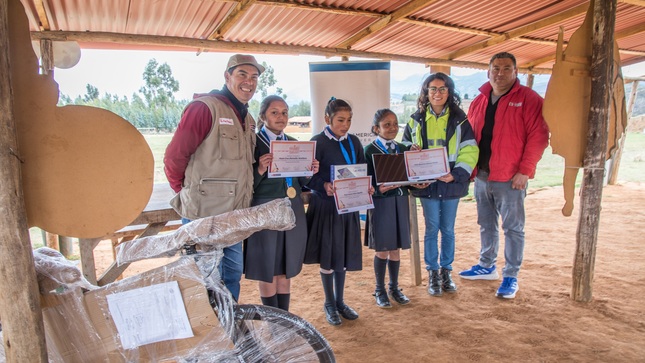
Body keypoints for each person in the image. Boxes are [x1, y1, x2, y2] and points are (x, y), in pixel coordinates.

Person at [164, 54, 265, 302]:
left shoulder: (248, 120)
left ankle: (227, 330)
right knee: (205, 280)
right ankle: (211, 334)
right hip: (203, 216)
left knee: (231, 277)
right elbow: (174, 157)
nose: (249, 82)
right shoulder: (204, 108)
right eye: (242, 74)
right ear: (227, 76)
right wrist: (187, 193)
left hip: (234, 217)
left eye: (254, 77)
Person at [458, 52, 549, 299]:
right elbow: (469, 138)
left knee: (513, 228)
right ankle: (487, 266)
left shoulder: (530, 100)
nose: (500, 73)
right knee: (486, 224)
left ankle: (511, 276)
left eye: (506, 68)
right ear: (488, 71)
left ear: (516, 71)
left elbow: (538, 137)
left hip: (510, 177)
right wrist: (468, 169)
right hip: (483, 176)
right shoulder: (479, 100)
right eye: (496, 68)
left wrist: (525, 171)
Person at [402, 73, 479, 297]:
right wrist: (411, 154)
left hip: (450, 183)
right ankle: (433, 273)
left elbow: (469, 149)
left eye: (442, 89)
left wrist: (456, 174)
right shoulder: (415, 120)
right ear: (426, 93)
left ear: (449, 92)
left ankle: (446, 272)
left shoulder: (460, 120)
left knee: (447, 230)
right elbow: (405, 146)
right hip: (427, 185)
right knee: (431, 229)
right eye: (433, 89)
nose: (438, 93)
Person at [244, 95, 319, 311]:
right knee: (268, 266)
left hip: (293, 206)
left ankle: (283, 321)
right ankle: (272, 321)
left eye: (284, 112)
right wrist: (259, 169)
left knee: (286, 265)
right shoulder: (254, 144)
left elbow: (302, 182)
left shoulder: (295, 144)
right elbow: (245, 183)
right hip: (265, 208)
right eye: (274, 112)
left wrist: (310, 171)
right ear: (263, 116)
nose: (281, 117)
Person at [304, 98, 373, 326]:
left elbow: (362, 170)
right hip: (326, 207)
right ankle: (329, 303)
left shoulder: (354, 142)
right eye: (341, 120)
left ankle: (340, 301)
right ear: (327, 119)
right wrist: (323, 185)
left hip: (348, 207)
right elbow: (308, 176)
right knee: (328, 256)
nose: (346, 125)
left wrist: (367, 186)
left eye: (349, 120)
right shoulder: (317, 142)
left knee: (341, 256)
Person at [364, 108, 428, 308]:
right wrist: (378, 189)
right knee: (383, 249)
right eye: (386, 125)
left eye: (394, 124)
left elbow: (408, 177)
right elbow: (366, 183)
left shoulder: (402, 148)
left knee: (396, 249)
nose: (392, 128)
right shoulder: (369, 151)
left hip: (400, 202)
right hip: (381, 204)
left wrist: (416, 183)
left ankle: (394, 287)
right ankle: (379, 289)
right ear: (376, 128)